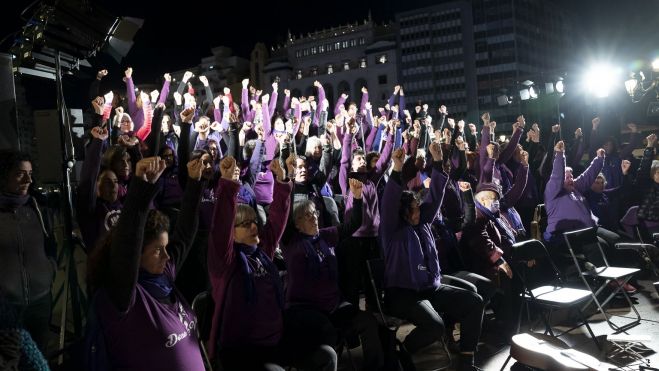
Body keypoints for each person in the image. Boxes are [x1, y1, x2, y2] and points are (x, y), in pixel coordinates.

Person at [207, 156, 336, 371]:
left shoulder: (262, 253)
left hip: (275, 339)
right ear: (232, 233)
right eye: (245, 224)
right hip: (244, 350)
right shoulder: (225, 262)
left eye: (254, 222)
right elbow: (220, 226)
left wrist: (282, 182)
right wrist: (229, 184)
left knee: (326, 356)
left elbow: (276, 219)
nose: (253, 227)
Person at [87, 156, 207, 370]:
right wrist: (141, 187)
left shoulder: (163, 276)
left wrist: (195, 182)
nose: (167, 256)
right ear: (137, 255)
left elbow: (185, 233)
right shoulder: (124, 297)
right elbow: (127, 242)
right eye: (157, 251)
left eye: (166, 248)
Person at [381, 144, 485, 371]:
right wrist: (397, 169)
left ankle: (467, 360)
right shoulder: (392, 230)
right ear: (404, 212)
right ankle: (404, 349)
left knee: (474, 303)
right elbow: (389, 203)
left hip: (429, 288)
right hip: (403, 294)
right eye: (414, 208)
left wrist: (438, 163)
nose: (419, 210)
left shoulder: (423, 222)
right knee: (435, 326)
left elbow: (435, 197)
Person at [283, 178, 385, 370]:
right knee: (327, 333)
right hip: (306, 309)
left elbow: (352, 224)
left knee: (369, 322)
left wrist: (356, 198)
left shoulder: (323, 235)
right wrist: (287, 179)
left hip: (333, 306)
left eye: (315, 213)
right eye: (307, 216)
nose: (314, 218)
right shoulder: (291, 243)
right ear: (296, 224)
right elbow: (284, 214)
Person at [0, 149, 56, 353]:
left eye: (30, 173)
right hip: (7, 306)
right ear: (3, 175)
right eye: (20, 173)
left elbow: (51, 246)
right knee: (11, 359)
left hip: (40, 301)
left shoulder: (37, 208)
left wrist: (50, 269)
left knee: (39, 357)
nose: (28, 179)